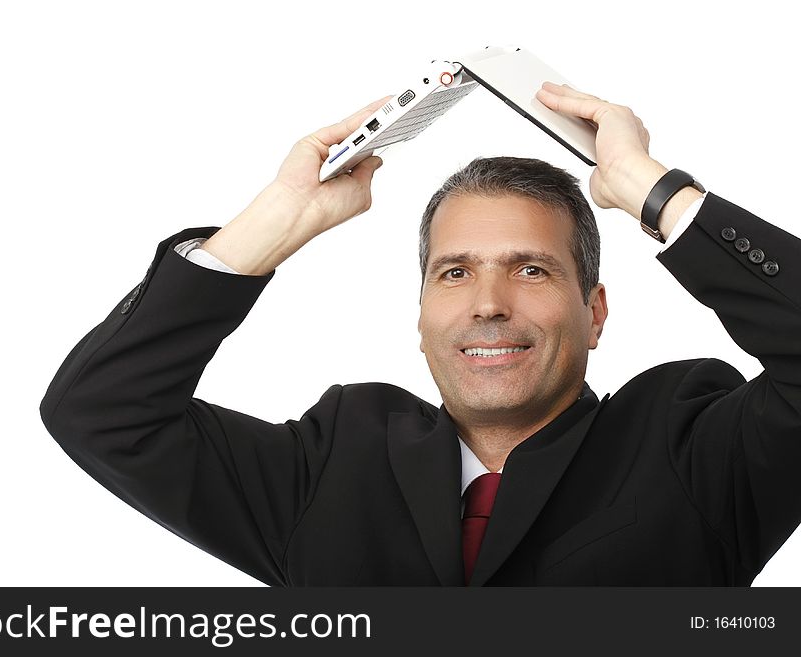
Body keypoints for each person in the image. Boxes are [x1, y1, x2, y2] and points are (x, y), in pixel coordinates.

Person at [39, 82, 801, 586]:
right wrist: (273, 223)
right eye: (455, 272)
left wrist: (653, 191)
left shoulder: (693, 446)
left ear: (594, 311)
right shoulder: (336, 460)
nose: (488, 304)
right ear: (421, 313)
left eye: (531, 271)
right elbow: (103, 411)